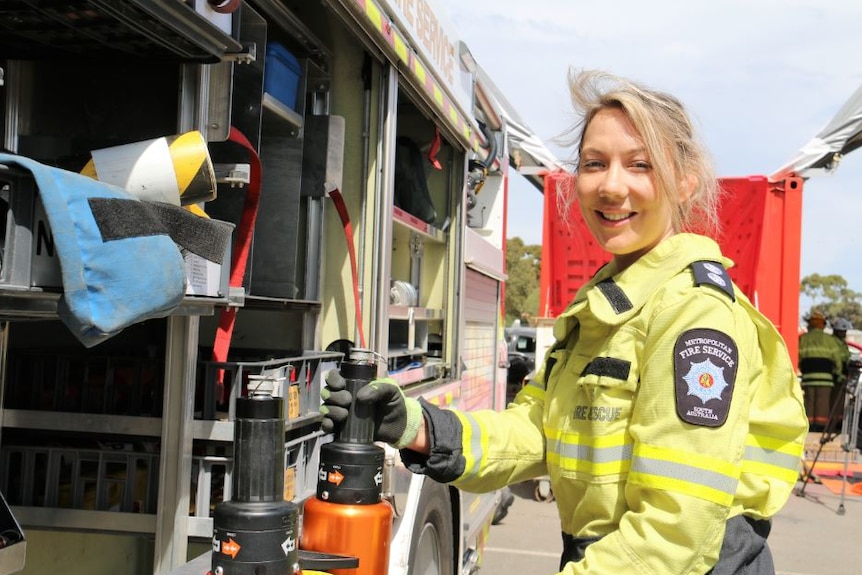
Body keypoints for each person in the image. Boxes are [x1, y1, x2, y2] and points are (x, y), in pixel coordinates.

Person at [322, 70, 808, 574]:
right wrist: (417, 427)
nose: (611, 186)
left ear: (685, 181)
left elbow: (676, 530)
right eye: (594, 164)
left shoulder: (693, 314)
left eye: (640, 165)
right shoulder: (607, 307)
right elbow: (537, 431)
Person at [798, 311, 846, 431]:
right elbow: (837, 359)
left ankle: (808, 427)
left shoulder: (802, 339)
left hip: (808, 378)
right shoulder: (830, 340)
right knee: (822, 404)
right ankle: (820, 427)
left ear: (810, 324)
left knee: (809, 402)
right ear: (823, 325)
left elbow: (797, 356)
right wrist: (838, 373)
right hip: (826, 379)